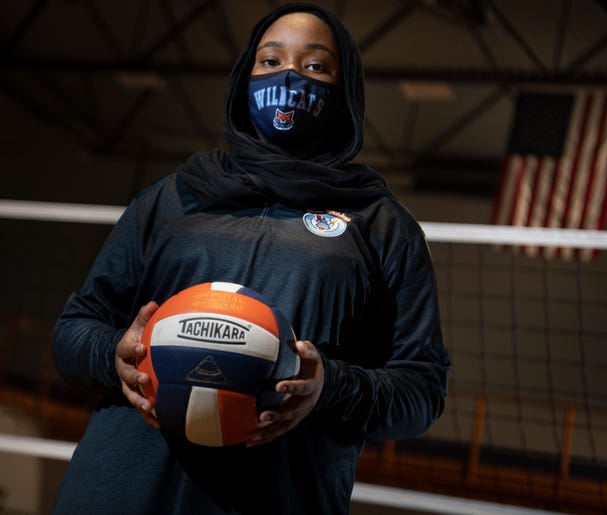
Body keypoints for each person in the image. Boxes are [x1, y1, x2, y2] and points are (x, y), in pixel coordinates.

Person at [50, 3, 451, 514]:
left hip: (275, 496)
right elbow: (73, 329)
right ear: (244, 77)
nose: (289, 76)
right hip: (120, 488)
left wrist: (328, 386)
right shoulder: (172, 198)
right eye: (270, 60)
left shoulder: (380, 224)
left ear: (346, 91)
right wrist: (115, 355)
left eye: (315, 66)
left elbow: (422, 389)